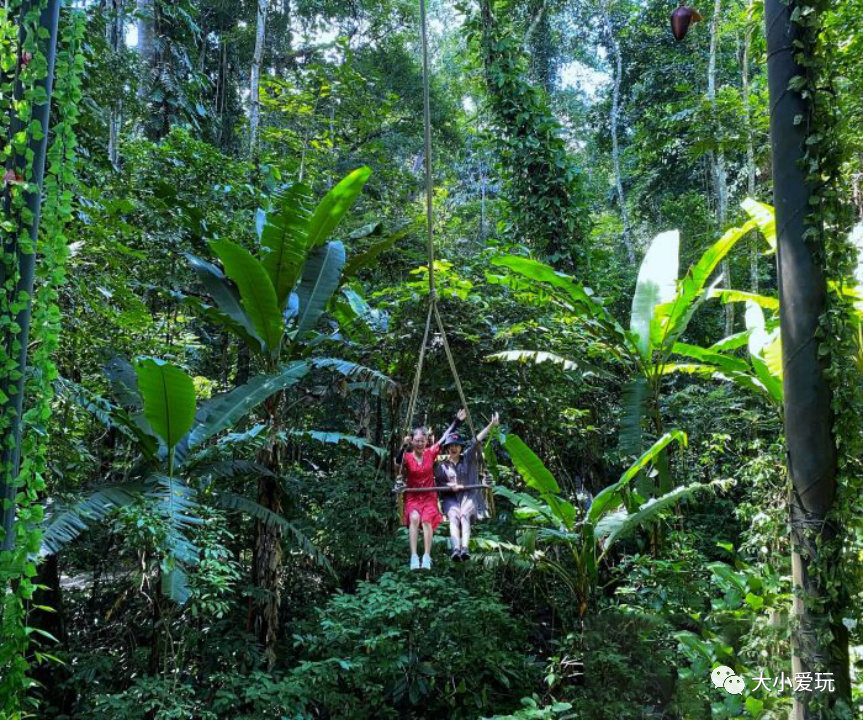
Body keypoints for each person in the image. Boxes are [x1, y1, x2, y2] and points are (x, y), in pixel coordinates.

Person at [395, 409, 467, 570]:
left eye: (423, 441)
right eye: (417, 441)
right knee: (414, 518)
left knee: (426, 520)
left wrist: (457, 421)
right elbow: (397, 462)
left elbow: (443, 439)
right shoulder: (407, 456)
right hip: (413, 496)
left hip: (428, 495)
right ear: (412, 441)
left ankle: (427, 556)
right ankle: (414, 556)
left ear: (426, 441)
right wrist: (403, 446)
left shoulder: (430, 453)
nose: (420, 444)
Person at [435, 412, 500, 561]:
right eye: (451, 446)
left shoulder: (468, 458)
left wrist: (491, 425)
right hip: (451, 498)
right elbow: (438, 485)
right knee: (453, 516)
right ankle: (456, 549)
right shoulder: (442, 467)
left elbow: (476, 440)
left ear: (460, 447)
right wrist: (449, 486)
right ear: (447, 448)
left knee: (464, 515)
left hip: (469, 496)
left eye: (457, 445)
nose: (454, 448)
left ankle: (465, 548)